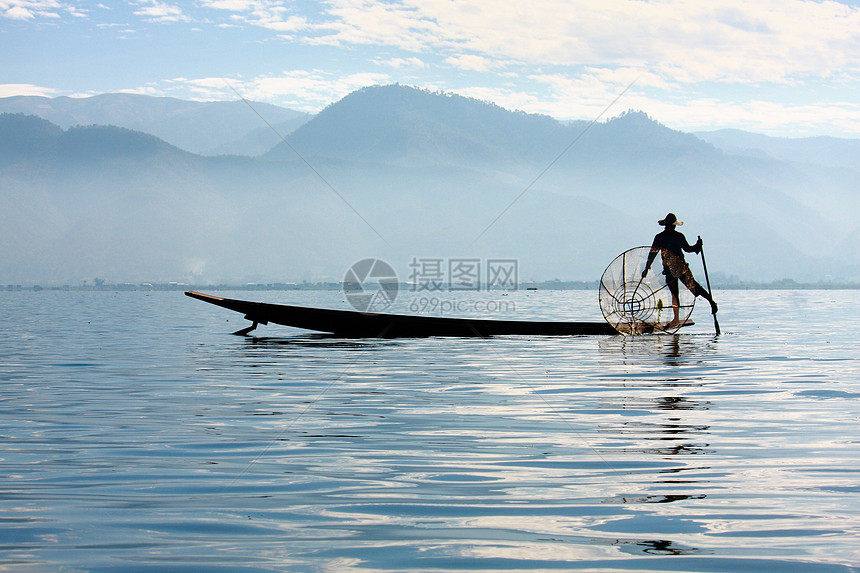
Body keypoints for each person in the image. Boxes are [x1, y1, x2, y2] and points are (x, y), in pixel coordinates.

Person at [642, 213, 718, 324]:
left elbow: (688, 249)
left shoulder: (679, 236)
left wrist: (697, 246)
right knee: (674, 293)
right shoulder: (660, 237)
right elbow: (652, 253)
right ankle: (676, 318)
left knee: (694, 287)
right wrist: (646, 268)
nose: (672, 227)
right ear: (666, 225)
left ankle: (711, 302)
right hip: (668, 269)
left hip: (681, 268)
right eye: (671, 225)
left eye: (673, 225)